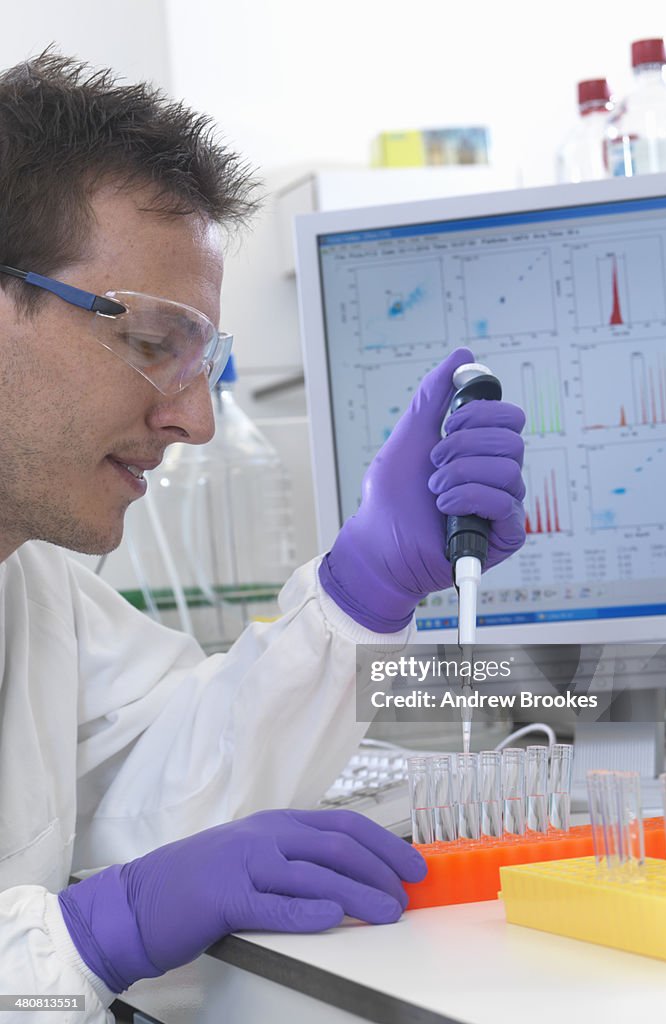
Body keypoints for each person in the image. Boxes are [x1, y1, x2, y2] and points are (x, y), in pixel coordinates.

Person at [0, 52, 526, 1019]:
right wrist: (79, 939)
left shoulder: (28, 584)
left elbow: (156, 794)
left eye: (204, 359)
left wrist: (363, 588)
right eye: (156, 344)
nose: (195, 421)